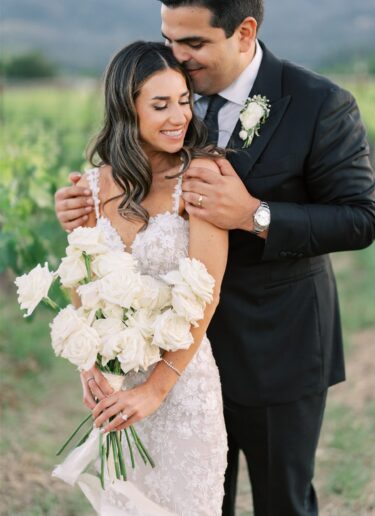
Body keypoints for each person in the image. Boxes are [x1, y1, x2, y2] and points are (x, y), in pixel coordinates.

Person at [55, 1, 375, 514]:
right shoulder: (168, 97)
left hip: (278, 347)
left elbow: (361, 217)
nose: (177, 57)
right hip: (174, 357)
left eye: (193, 44)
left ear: (244, 32)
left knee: (282, 503)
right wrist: (82, 209)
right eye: (169, 39)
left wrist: (256, 214)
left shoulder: (320, 102)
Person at [68, 41, 229, 515]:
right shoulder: (93, 186)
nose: (178, 116)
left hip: (183, 388)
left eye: (183, 101)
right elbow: (80, 282)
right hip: (117, 392)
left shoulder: (200, 175)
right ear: (126, 109)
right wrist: (89, 369)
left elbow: (208, 293)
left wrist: (156, 389)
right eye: (160, 105)